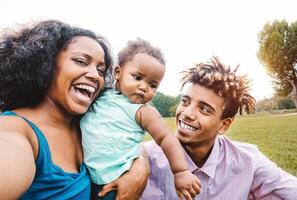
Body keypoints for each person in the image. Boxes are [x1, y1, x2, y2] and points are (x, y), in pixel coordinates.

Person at [0, 20, 149, 200]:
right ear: (46, 62)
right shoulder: (13, 132)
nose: (95, 75)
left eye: (101, 70)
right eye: (81, 61)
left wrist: (141, 165)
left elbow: (126, 136)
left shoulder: (85, 124)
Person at [141, 56, 297, 200]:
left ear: (224, 125)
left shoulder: (248, 162)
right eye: (185, 101)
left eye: (204, 109)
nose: (187, 113)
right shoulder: (144, 159)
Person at [80, 38, 201, 200]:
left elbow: (166, 138)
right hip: (85, 174)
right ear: (118, 73)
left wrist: (180, 171)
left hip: (116, 180)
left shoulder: (143, 111)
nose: (144, 87)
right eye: (137, 77)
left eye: (152, 85)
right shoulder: (102, 95)